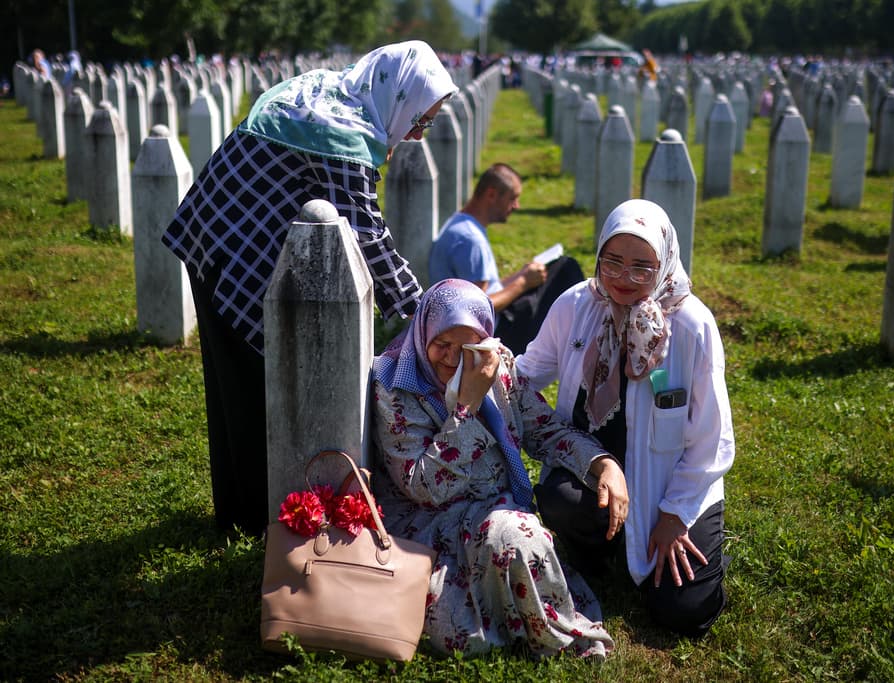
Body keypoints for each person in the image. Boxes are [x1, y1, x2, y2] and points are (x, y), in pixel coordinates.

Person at [162, 40, 458, 536]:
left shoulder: (337, 94)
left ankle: (240, 512)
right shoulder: (341, 131)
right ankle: (253, 520)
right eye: (420, 120)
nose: (418, 135)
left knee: (238, 379)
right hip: (230, 244)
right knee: (251, 383)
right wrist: (427, 311)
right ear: (401, 95)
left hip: (223, 231)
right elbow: (367, 235)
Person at [370, 278, 627, 658]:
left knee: (514, 537)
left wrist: (601, 463)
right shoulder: (394, 383)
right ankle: (542, 631)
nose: (453, 360)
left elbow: (543, 427)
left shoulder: (496, 364)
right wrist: (466, 408)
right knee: (507, 545)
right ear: (423, 330)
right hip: (429, 523)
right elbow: (421, 485)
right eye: (442, 344)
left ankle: (537, 623)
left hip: (494, 508)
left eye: (467, 348)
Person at [516, 199, 735, 639]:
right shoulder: (578, 304)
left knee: (682, 611)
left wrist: (674, 515)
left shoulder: (692, 325)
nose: (622, 280)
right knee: (559, 498)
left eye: (641, 268)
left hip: (670, 484)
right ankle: (598, 545)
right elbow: (526, 374)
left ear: (665, 263)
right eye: (611, 263)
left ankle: (688, 542)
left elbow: (713, 440)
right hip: (596, 467)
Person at [428, 163, 584, 355]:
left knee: (558, 268)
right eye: (513, 198)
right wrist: (523, 282)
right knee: (566, 270)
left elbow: (482, 290)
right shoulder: (470, 240)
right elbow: (476, 309)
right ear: (492, 194)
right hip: (495, 334)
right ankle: (583, 343)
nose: (516, 206)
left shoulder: (461, 224)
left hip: (492, 321)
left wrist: (522, 274)